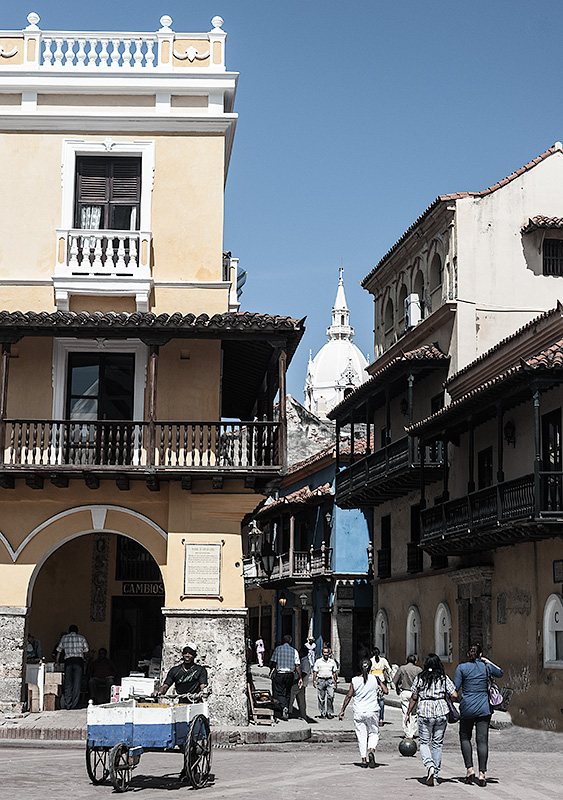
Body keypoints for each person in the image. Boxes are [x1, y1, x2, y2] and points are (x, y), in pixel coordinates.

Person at [454, 642, 503, 787]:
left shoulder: (461, 668)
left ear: (468, 654)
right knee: (482, 740)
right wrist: (487, 661)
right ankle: (482, 774)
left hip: (467, 707)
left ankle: (470, 770)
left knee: (465, 737)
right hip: (484, 708)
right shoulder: (486, 667)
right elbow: (500, 672)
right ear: (480, 655)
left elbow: (455, 688)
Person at [405, 653, 457, 786]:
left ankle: (429, 766)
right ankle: (436, 775)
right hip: (441, 711)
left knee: (424, 742)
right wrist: (444, 699)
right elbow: (454, 694)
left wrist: (408, 713)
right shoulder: (443, 678)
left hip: (425, 712)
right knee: (437, 744)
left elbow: (414, 697)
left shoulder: (420, 678)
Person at [338, 657, 388, 768]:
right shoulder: (375, 679)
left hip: (359, 712)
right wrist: (379, 681)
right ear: (370, 668)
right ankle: (371, 750)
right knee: (373, 733)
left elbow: (349, 696)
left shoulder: (355, 680)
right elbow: (386, 691)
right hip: (372, 711)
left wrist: (342, 711)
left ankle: (364, 759)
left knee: (361, 735)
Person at [56, 625, 90, 709]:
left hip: (68, 661)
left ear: (69, 630)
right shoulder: (81, 638)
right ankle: (74, 704)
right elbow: (86, 651)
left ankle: (68, 704)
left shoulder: (64, 638)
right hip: (78, 661)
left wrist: (57, 662)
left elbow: (59, 651)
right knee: (77, 683)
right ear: (77, 631)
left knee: (68, 683)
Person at [270, 635, 302, 720]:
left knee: (279, 692)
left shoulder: (278, 649)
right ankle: (285, 709)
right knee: (287, 692)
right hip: (290, 674)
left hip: (280, 673)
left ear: (282, 641)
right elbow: (297, 665)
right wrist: (300, 677)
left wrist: (271, 669)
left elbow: (273, 661)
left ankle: (284, 707)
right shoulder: (294, 651)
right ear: (290, 641)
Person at [394, 654, 422, 738]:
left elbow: (395, 681)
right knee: (414, 713)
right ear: (415, 662)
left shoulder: (402, 668)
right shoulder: (419, 670)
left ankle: (407, 732)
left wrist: (397, 689)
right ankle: (412, 731)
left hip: (405, 692)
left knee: (405, 712)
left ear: (406, 661)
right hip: (415, 693)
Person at [313, 644, 338, 719]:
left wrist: (335, 682)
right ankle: (322, 713)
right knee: (321, 698)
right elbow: (315, 672)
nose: (326, 654)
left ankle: (329, 712)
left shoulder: (332, 662)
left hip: (329, 680)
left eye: (327, 652)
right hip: (321, 680)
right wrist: (314, 681)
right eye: (324, 652)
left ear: (329, 653)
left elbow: (334, 673)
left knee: (331, 696)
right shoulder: (318, 661)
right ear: (322, 653)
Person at [370, 647, 392, 723]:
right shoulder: (383, 660)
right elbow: (389, 669)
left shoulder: (371, 661)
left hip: (372, 680)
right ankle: (381, 718)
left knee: (373, 699)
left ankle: (373, 717)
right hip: (381, 680)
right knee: (381, 699)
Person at [290, 645, 311, 719]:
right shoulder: (302, 660)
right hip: (301, 683)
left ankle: (289, 711)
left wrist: (298, 680)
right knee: (301, 700)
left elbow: (304, 672)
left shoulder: (305, 661)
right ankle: (303, 715)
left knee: (291, 696)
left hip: (299, 683)